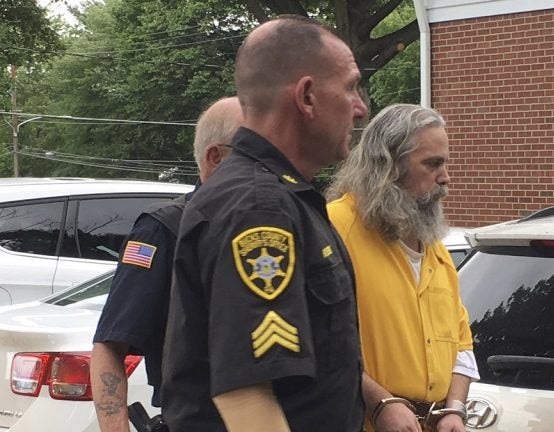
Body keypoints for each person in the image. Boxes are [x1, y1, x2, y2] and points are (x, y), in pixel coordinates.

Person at [161, 15, 369, 432]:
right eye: (350, 87)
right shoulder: (259, 210)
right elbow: (246, 394)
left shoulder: (278, 198)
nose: (361, 106)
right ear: (307, 97)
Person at [90, 96, 242, 432]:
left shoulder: (273, 226)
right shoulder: (164, 230)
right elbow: (111, 344)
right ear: (215, 157)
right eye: (253, 155)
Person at [326, 104, 479, 432]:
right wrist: (379, 402)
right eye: (432, 164)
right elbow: (318, 338)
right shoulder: (335, 228)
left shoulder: (435, 248)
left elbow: (461, 344)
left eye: (445, 163)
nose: (445, 177)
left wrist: (454, 409)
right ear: (389, 165)